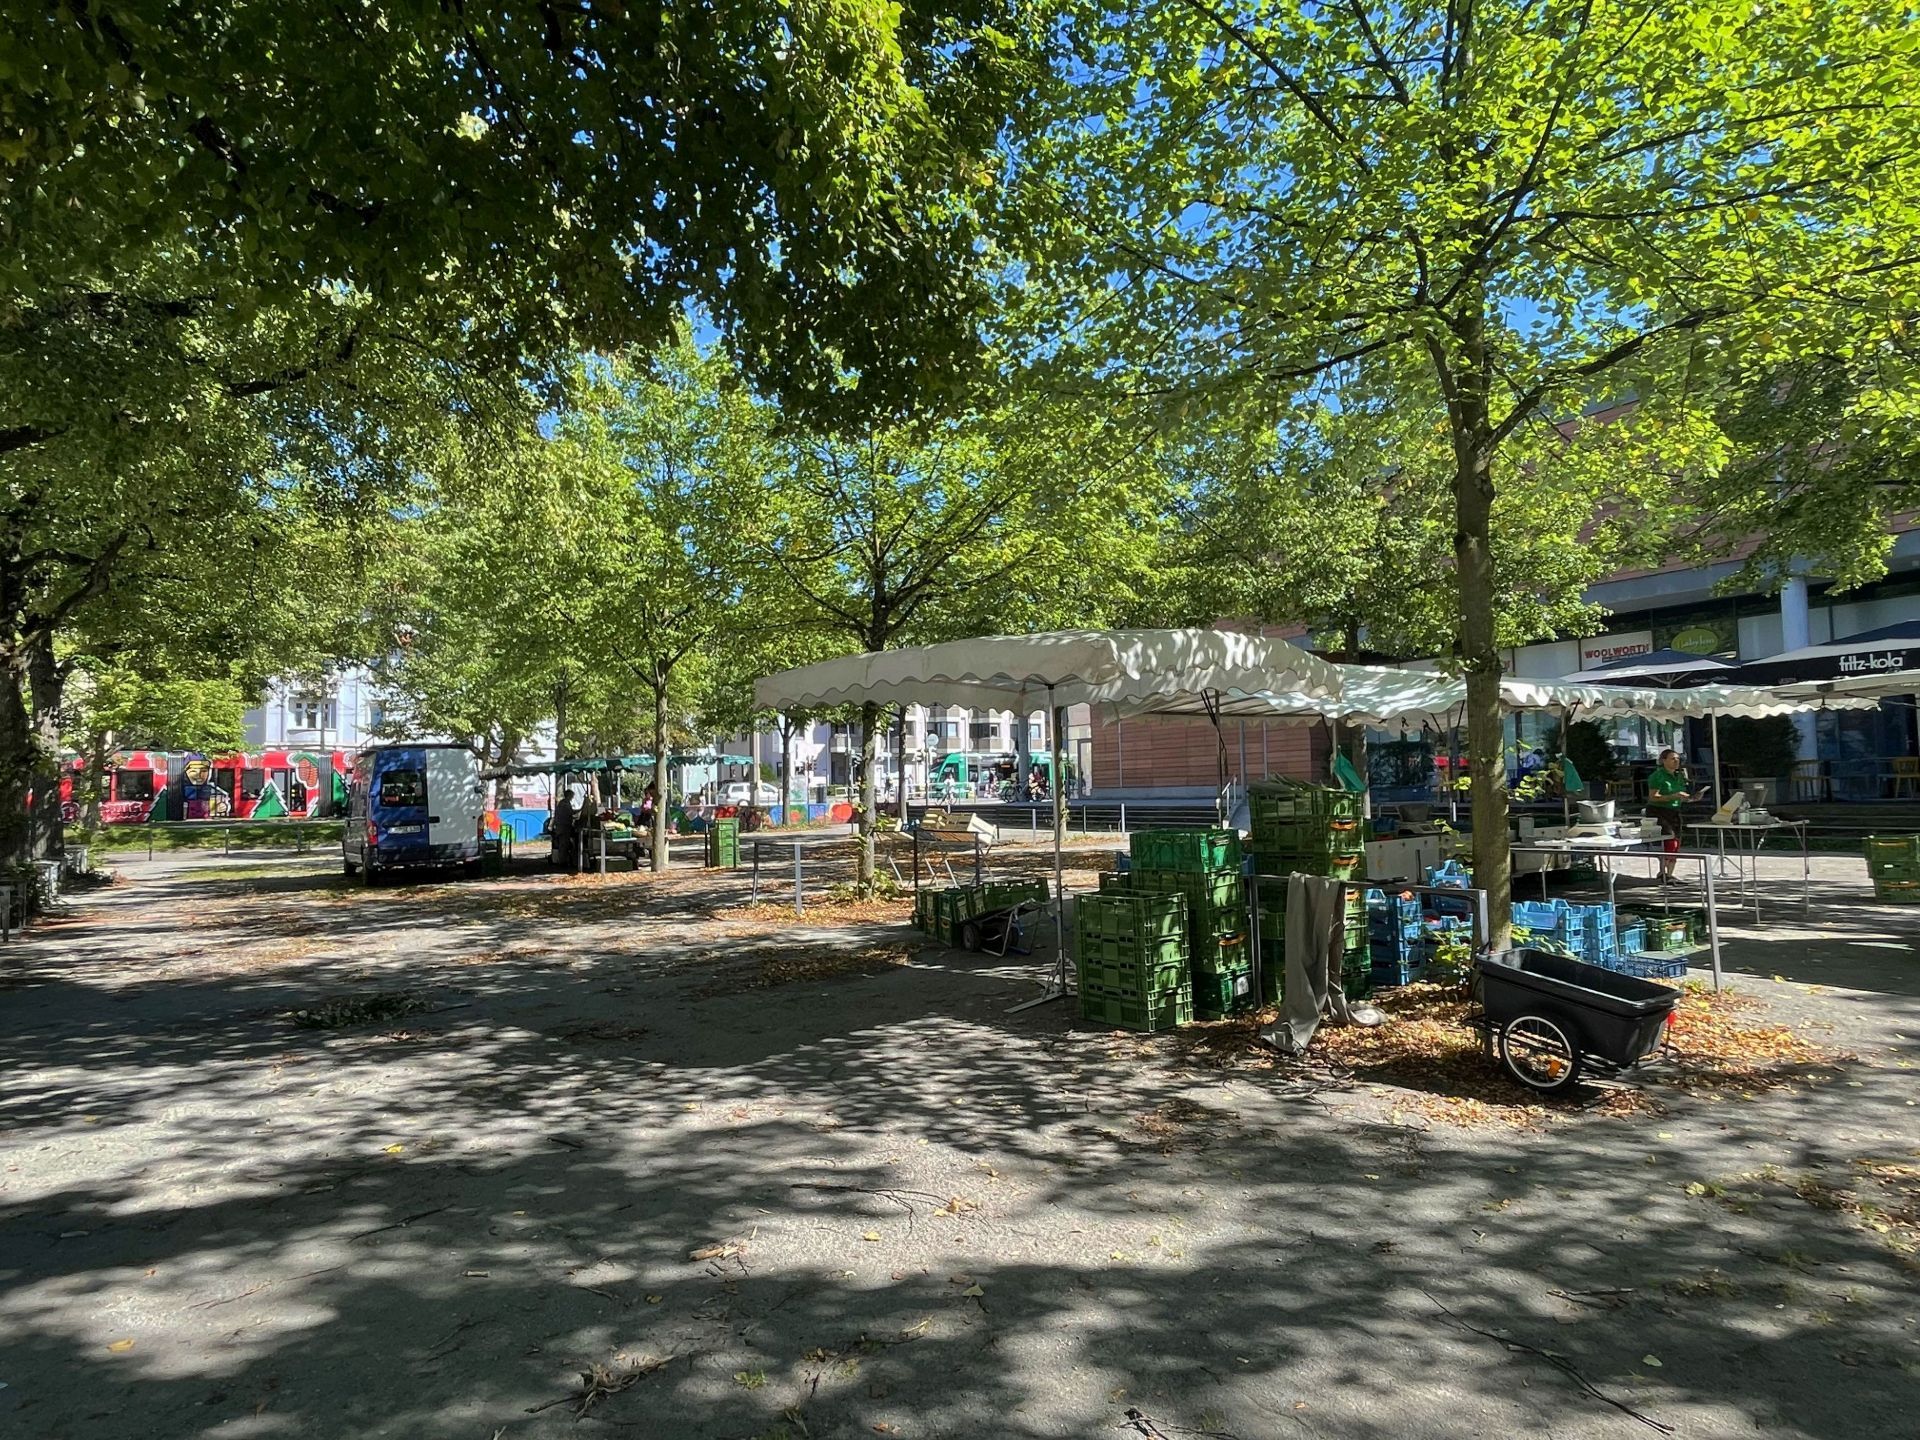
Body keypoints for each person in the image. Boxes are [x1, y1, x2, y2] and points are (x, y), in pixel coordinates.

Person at [1647, 748, 1705, 882]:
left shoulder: (1679, 776)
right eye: (1673, 759)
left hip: (1674, 811)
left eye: (1678, 759)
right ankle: (1663, 872)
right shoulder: (1657, 776)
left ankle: (1670, 873)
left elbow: (1681, 796)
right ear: (1663, 760)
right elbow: (1653, 797)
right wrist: (1672, 796)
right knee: (1670, 839)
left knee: (1676, 841)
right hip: (1658, 810)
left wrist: (1693, 798)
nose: (1676, 762)